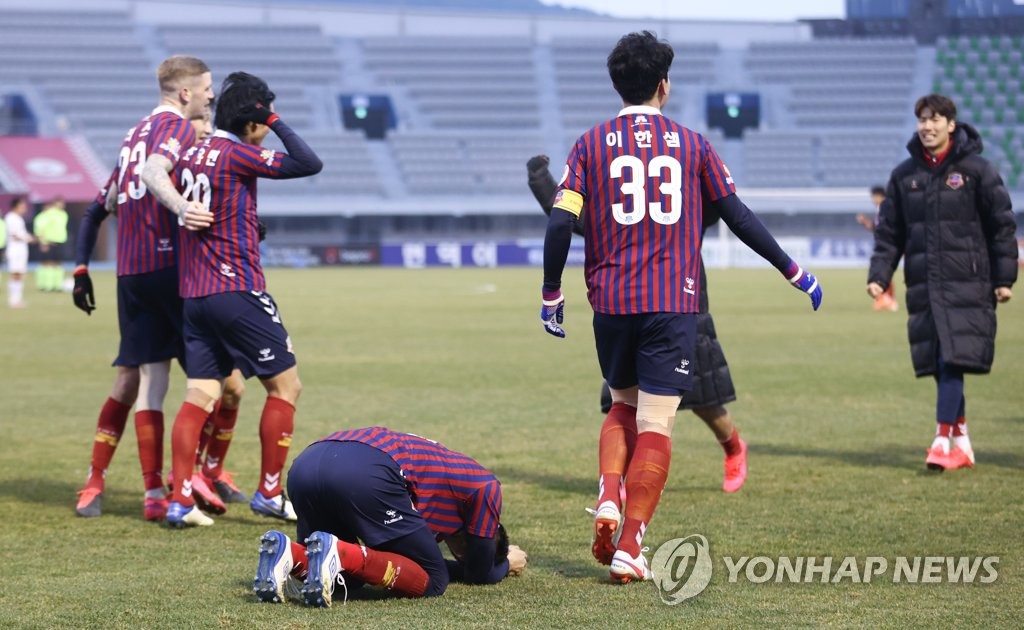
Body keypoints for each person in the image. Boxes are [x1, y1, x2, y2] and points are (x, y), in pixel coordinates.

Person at [540, 31, 822, 583]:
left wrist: (552, 291)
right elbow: (737, 215)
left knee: (622, 406)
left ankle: (607, 496)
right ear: (664, 86)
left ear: (617, 84)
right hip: (672, 303)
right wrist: (792, 268)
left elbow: (559, 222)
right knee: (658, 424)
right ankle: (630, 544)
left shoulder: (589, 145)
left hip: (611, 302)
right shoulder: (692, 145)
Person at [528, 155, 747, 494]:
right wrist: (542, 181)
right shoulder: (618, 206)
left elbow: (721, 206)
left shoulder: (681, 196)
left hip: (682, 303)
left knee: (702, 397)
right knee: (624, 404)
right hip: (629, 306)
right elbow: (574, 218)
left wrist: (708, 175)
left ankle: (733, 447)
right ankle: (623, 482)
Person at [165, 71, 322, 527]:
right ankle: (269, 493)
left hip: (193, 295)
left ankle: (180, 500)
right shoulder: (239, 153)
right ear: (253, 120)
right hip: (236, 289)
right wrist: (273, 118)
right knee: (285, 386)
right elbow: (309, 163)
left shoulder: (192, 150)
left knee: (203, 393)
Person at [73, 111, 247, 519]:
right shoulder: (160, 158)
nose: (206, 126)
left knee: (226, 385)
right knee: (135, 382)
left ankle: (203, 472)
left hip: (176, 281)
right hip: (160, 282)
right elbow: (97, 209)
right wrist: (81, 268)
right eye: (203, 117)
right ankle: (108, 481)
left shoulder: (185, 159)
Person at [867, 93, 1017, 472]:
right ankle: (962, 443)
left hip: (969, 283)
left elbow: (1001, 225)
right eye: (922, 119)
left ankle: (940, 441)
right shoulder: (904, 176)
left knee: (952, 360)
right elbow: (890, 233)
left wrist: (1004, 278)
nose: (927, 126)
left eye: (935, 119)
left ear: (952, 124)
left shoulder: (977, 170)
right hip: (923, 285)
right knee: (939, 362)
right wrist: (879, 276)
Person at [253, 427, 527, 607]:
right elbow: (478, 573)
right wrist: (505, 564)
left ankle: (288, 553)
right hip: (364, 469)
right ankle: (337, 550)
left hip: (308, 462)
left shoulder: (445, 491)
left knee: (346, 579)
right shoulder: (485, 488)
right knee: (434, 581)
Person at [856, 185, 898, 312]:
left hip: (889, 244)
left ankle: (886, 299)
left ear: (879, 196)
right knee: (886, 271)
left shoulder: (885, 208)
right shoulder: (882, 208)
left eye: (873, 197)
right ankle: (888, 299)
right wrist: (865, 222)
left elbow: (882, 228)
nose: (873, 200)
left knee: (883, 270)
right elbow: (876, 228)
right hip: (887, 243)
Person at [32, 196, 69, 292]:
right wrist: (43, 242)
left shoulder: (64, 214)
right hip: (49, 241)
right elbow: (41, 228)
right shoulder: (48, 214)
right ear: (55, 203)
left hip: (60, 241)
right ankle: (46, 286)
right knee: (47, 263)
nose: (62, 205)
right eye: (60, 203)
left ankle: (57, 285)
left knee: (58, 263)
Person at [4, 196, 35, 308]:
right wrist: (30, 238)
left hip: (21, 250)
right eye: (22, 206)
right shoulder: (10, 217)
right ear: (16, 206)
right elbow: (15, 235)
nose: (24, 208)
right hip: (14, 250)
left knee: (20, 274)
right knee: (15, 274)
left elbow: (22, 234)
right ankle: (13, 300)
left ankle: (17, 299)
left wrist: (31, 237)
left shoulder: (19, 218)